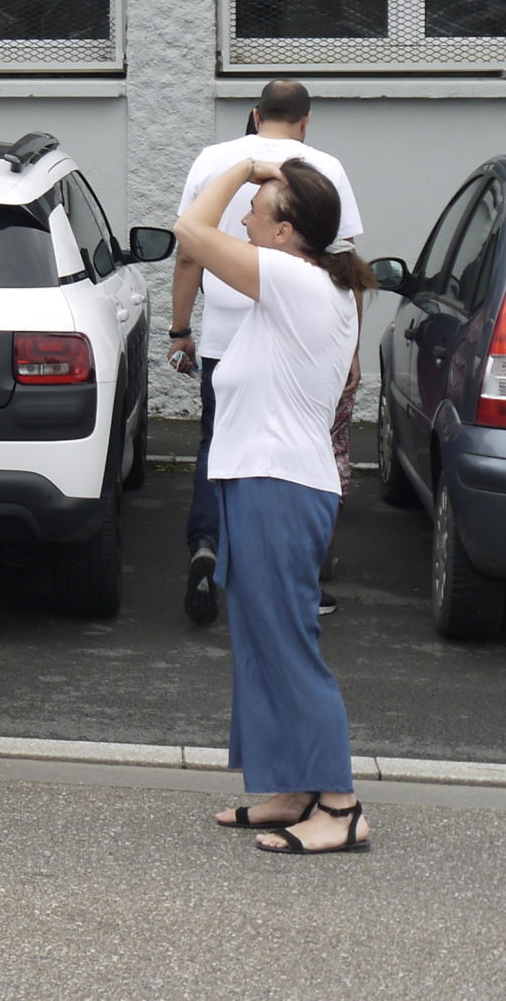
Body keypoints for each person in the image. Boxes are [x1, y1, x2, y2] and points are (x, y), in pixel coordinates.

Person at [175, 157, 375, 855]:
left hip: (279, 484)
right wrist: (255, 176)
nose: (245, 217)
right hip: (261, 479)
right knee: (261, 639)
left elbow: (190, 230)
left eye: (257, 209)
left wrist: (241, 167)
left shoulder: (293, 278)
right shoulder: (304, 282)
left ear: (286, 232)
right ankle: (294, 788)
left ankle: (342, 806)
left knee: (288, 642)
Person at [171, 80, 362, 625]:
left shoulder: (217, 162)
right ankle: (290, 572)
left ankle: (212, 547)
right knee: (292, 435)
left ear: (255, 115)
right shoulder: (325, 167)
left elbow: (189, 249)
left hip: (232, 336)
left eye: (254, 213)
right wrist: (347, 350)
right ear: (305, 120)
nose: (247, 219)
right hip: (297, 345)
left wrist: (179, 329)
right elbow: (346, 256)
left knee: (221, 444)